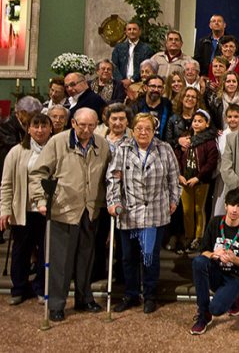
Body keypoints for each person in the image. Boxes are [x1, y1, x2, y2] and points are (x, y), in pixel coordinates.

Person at [29, 108, 111, 322]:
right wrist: (39, 199)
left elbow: (109, 174)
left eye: (91, 125)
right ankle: (57, 303)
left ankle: (84, 298)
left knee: (86, 258)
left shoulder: (101, 144)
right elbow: (38, 172)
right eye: (82, 125)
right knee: (61, 262)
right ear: (73, 123)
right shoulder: (57, 142)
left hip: (90, 209)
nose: (86, 130)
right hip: (63, 209)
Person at [106, 113, 181, 314]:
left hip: (155, 212)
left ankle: (150, 295)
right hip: (128, 212)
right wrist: (113, 202)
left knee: (150, 256)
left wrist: (174, 200)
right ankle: (131, 295)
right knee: (128, 257)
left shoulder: (164, 149)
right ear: (133, 130)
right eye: (139, 128)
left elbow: (174, 177)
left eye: (148, 128)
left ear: (154, 130)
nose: (143, 132)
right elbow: (114, 179)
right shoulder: (123, 149)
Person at [189, 188, 239, 335]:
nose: (235, 210)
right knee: (198, 262)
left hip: (236, 276)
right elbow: (203, 251)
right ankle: (203, 315)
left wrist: (234, 258)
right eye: (232, 205)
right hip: (217, 271)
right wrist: (214, 254)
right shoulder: (215, 222)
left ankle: (234, 297)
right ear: (226, 205)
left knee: (217, 308)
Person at [0, 113, 52, 305]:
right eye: (35, 126)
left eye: (44, 126)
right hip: (23, 209)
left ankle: (40, 287)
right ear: (28, 129)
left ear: (50, 128)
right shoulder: (17, 151)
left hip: (47, 211)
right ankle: (19, 288)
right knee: (21, 250)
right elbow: (6, 184)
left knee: (45, 251)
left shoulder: (56, 150)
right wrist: (4, 209)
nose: (40, 130)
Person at [0, 96, 42, 245]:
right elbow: (12, 143)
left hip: (22, 167)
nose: (35, 117)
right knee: (1, 199)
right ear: (22, 112)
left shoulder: (26, 123)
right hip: (3, 167)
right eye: (32, 113)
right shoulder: (6, 124)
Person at [174, 109, 219, 253]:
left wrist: (198, 177)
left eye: (200, 121)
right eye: (195, 121)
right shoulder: (185, 139)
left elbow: (211, 162)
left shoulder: (210, 141)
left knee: (199, 209)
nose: (197, 123)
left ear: (207, 124)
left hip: (201, 180)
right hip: (185, 180)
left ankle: (198, 237)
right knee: (187, 210)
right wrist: (180, 175)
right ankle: (188, 236)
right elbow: (178, 157)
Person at [111, 21, 154, 87]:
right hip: (120, 84)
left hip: (139, 84)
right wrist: (121, 81)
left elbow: (146, 67)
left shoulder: (146, 49)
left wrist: (132, 80)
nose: (132, 31)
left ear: (139, 32)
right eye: (129, 29)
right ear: (126, 32)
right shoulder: (119, 48)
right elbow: (114, 65)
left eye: (134, 29)